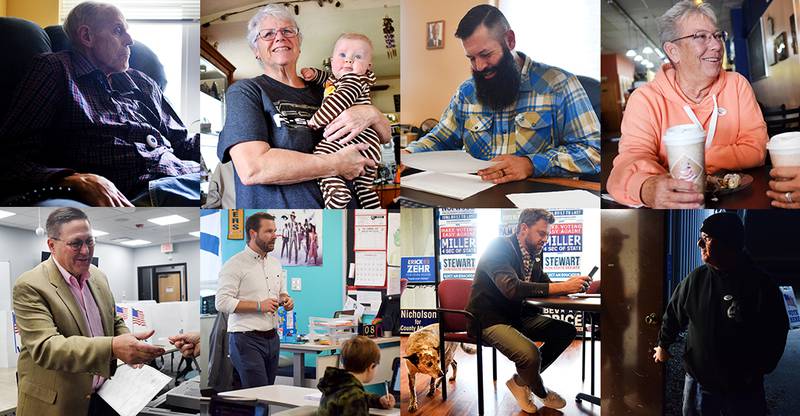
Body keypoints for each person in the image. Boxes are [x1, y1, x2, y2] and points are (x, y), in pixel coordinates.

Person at [0, 1, 201, 207]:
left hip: (186, 177)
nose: (130, 40)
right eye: (118, 30)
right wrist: (74, 180)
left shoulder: (143, 82)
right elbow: (10, 158)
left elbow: (183, 142)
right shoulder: (55, 69)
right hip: (140, 192)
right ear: (87, 36)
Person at [217, 4, 391, 208]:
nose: (280, 37)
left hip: (347, 219)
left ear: (299, 43)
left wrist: (372, 113)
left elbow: (386, 135)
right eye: (268, 34)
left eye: (287, 31)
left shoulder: (325, 88)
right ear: (256, 50)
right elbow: (253, 168)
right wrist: (337, 164)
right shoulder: (246, 91)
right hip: (285, 225)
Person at [403, 4, 600, 182]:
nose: (479, 66)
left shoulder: (560, 84)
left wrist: (531, 164)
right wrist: (408, 154)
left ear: (510, 40)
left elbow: (593, 152)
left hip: (537, 194)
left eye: (486, 54)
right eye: (471, 58)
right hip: (475, 193)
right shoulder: (466, 92)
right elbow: (440, 138)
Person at [607, 0, 768, 208]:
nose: (717, 46)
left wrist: (692, 162)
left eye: (717, 36)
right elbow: (629, 162)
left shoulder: (737, 85)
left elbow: (756, 148)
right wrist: (645, 187)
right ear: (673, 51)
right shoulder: (645, 99)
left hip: (740, 202)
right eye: (701, 37)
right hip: (677, 207)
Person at [13, 207, 165, 416]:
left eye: (90, 241)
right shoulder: (29, 285)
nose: (86, 251)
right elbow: (47, 347)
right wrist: (113, 347)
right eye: (76, 243)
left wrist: (129, 341)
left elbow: (113, 319)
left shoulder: (98, 276)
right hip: (58, 404)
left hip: (104, 396)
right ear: (51, 245)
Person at [653, 213, 788, 416]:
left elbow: (777, 331)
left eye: (707, 238)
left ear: (729, 243)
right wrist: (663, 345)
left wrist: (759, 369)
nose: (699, 243)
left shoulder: (761, 285)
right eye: (701, 236)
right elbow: (673, 314)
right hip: (698, 382)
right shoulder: (696, 279)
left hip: (743, 389)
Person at [465, 208, 593, 413]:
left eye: (548, 235)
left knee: (566, 331)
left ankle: (521, 381)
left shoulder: (533, 256)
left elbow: (547, 286)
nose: (546, 239)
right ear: (524, 228)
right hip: (487, 319)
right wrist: (562, 287)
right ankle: (540, 390)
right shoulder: (498, 246)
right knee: (530, 354)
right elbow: (511, 287)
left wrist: (569, 284)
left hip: (516, 317)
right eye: (542, 233)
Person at [301, 33, 382, 209]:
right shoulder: (339, 79)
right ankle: (372, 210)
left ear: (368, 66)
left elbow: (340, 101)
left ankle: (337, 193)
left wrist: (316, 120)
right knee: (365, 188)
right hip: (369, 146)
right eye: (342, 55)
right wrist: (315, 75)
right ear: (331, 61)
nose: (349, 61)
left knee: (321, 159)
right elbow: (329, 80)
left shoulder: (354, 80)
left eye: (358, 56)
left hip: (353, 139)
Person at [215, 212, 295, 388]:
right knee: (258, 395)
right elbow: (221, 302)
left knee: (267, 394)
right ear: (253, 233)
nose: (275, 236)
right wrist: (259, 306)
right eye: (268, 231)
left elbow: (282, 292)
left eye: (275, 231)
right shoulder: (234, 264)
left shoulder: (275, 263)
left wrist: (287, 300)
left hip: (273, 338)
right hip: (246, 339)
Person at [317, 336, 395, 415]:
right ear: (371, 367)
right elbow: (356, 398)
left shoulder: (336, 384)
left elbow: (359, 396)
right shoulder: (355, 397)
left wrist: (378, 400)